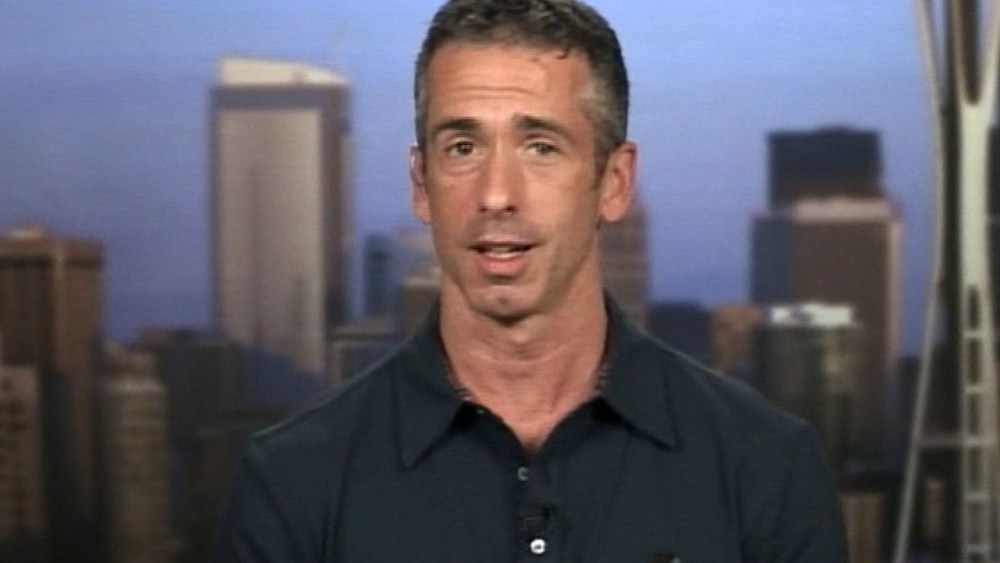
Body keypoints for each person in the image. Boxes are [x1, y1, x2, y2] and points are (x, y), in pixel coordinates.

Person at [216, 0, 848, 561]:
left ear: (614, 182)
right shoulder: (294, 479)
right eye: (463, 148)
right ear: (420, 183)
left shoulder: (764, 464)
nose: (496, 194)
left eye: (540, 146)